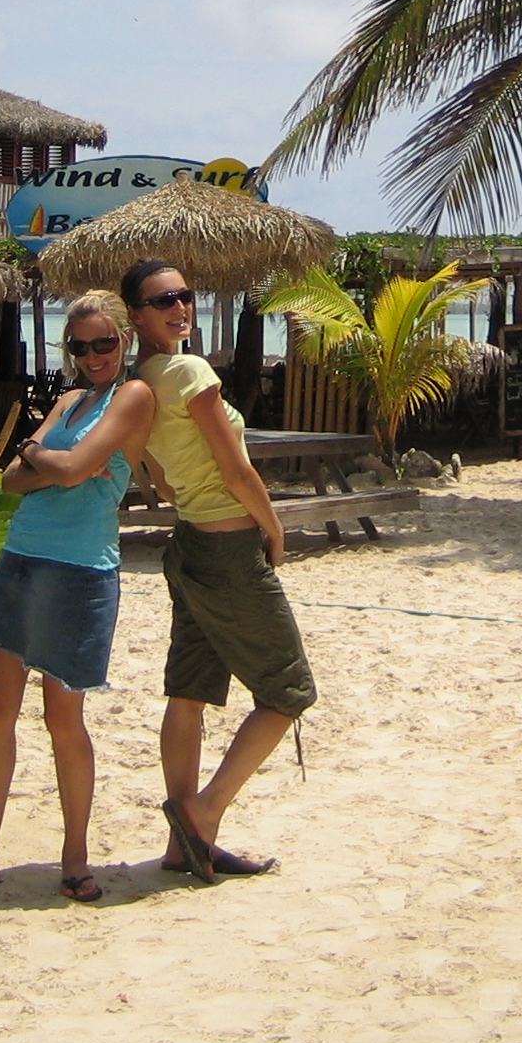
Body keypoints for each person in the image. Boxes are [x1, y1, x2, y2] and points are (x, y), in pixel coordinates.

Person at [0, 291, 153, 905]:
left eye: (104, 342)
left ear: (125, 339)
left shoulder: (134, 396)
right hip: (22, 557)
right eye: (80, 346)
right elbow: (10, 481)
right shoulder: (69, 400)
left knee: (64, 719)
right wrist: (45, 459)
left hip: (80, 569)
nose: (93, 356)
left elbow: (73, 470)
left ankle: (76, 857)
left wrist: (42, 457)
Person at [121, 258, 316, 883]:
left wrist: (178, 487)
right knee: (288, 692)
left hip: (188, 545)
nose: (180, 307)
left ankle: (182, 846)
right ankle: (202, 815)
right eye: (163, 301)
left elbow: (154, 477)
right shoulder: (190, 372)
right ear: (137, 316)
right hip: (229, 549)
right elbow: (236, 468)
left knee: (189, 692)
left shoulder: (139, 382)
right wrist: (274, 526)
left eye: (185, 296)